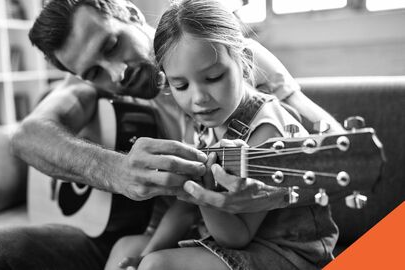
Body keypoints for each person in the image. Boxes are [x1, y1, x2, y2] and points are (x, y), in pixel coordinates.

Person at [0, 1, 342, 269]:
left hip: (236, 237)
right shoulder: (92, 90)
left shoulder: (223, 54)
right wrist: (117, 171)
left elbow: (331, 150)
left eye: (112, 45)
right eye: (93, 72)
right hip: (148, 229)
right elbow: (27, 136)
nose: (116, 74)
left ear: (129, 12)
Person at [104, 1, 338, 269]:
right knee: (126, 249)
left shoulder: (267, 130)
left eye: (214, 77)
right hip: (231, 242)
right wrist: (143, 254)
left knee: (158, 265)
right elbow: (183, 207)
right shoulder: (206, 123)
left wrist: (202, 188)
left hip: (288, 252)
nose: (199, 98)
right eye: (181, 85)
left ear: (245, 63)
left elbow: (237, 236)